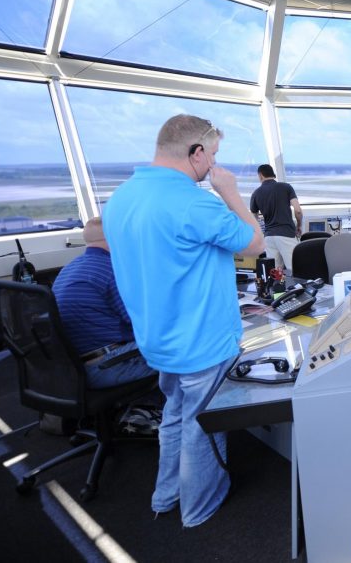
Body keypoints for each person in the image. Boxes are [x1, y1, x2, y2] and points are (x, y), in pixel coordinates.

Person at [103, 114, 264, 528]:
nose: (214, 165)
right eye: (212, 155)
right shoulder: (194, 201)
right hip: (200, 342)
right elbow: (255, 244)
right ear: (195, 153)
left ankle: (166, 495)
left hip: (158, 340)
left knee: (173, 416)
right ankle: (199, 508)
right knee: (200, 428)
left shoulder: (121, 197)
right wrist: (230, 192)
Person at [52, 217, 156, 389]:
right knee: (198, 350)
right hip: (108, 364)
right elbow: (146, 324)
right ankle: (186, 414)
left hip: (75, 368)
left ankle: (145, 411)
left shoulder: (69, 268)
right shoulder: (112, 270)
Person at [249, 164, 303, 275]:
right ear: (273, 174)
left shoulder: (256, 193)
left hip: (269, 237)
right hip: (286, 234)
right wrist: (299, 225)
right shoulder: (286, 187)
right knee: (296, 271)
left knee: (275, 274)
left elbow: (253, 218)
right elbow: (297, 210)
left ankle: (277, 292)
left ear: (260, 175)